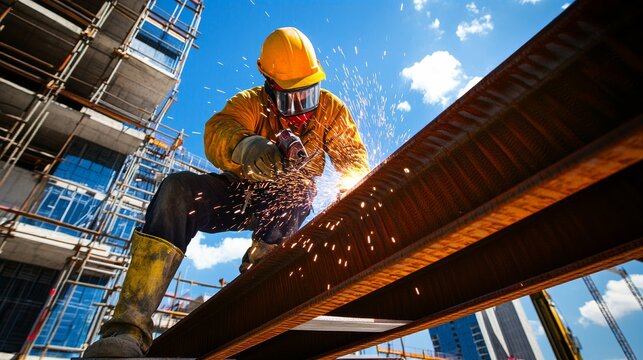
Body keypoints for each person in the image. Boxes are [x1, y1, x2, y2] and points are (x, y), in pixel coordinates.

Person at [83, 27, 369, 358]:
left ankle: (261, 275)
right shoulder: (249, 103)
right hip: (236, 195)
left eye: (309, 94)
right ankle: (127, 331)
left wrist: (356, 188)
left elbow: (354, 159)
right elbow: (218, 132)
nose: (303, 109)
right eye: (292, 99)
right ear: (269, 84)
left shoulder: (331, 110)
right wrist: (250, 148)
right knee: (176, 190)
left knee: (301, 187)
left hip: (281, 206)